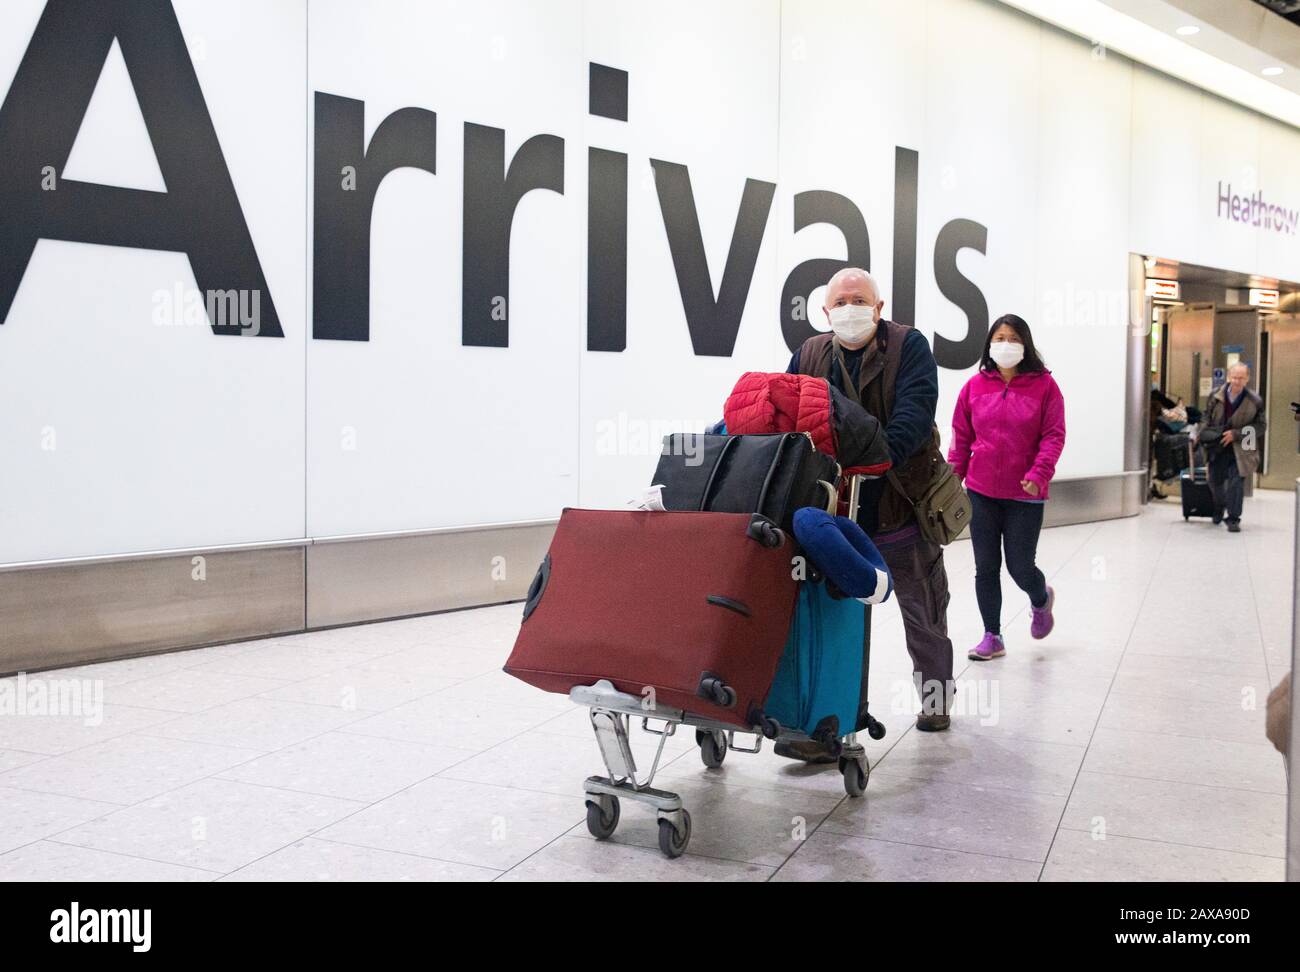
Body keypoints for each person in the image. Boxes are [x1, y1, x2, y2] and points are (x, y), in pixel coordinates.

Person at [778, 267, 955, 757]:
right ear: (825, 311)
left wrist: (870, 461)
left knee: (923, 612)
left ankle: (936, 699)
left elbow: (914, 417)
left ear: (879, 309)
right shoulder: (810, 354)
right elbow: (789, 419)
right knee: (834, 623)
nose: (850, 309)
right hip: (836, 514)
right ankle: (826, 725)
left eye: (861, 300)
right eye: (841, 301)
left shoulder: (908, 347)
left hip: (901, 505)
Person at [948, 315, 1065, 661]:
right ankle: (992, 635)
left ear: (1025, 344)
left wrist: (1039, 472)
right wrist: (954, 478)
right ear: (989, 345)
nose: (1005, 344)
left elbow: (1053, 435)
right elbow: (962, 437)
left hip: (1025, 496)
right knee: (986, 567)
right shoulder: (973, 387)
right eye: (999, 337)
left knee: (1020, 566)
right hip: (981, 492)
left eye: (1013, 338)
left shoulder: (1045, 387)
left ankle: (1040, 598)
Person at [1201, 362, 1265, 533]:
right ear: (1229, 377)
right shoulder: (1216, 396)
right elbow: (1206, 417)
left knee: (1236, 482)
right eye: (1234, 377)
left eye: (1241, 378)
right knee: (1215, 480)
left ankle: (1234, 518)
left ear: (1247, 379)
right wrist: (1201, 434)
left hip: (1242, 447)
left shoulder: (1255, 400)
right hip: (1218, 444)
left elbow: (1260, 426)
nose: (1237, 381)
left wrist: (1236, 434)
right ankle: (1219, 507)